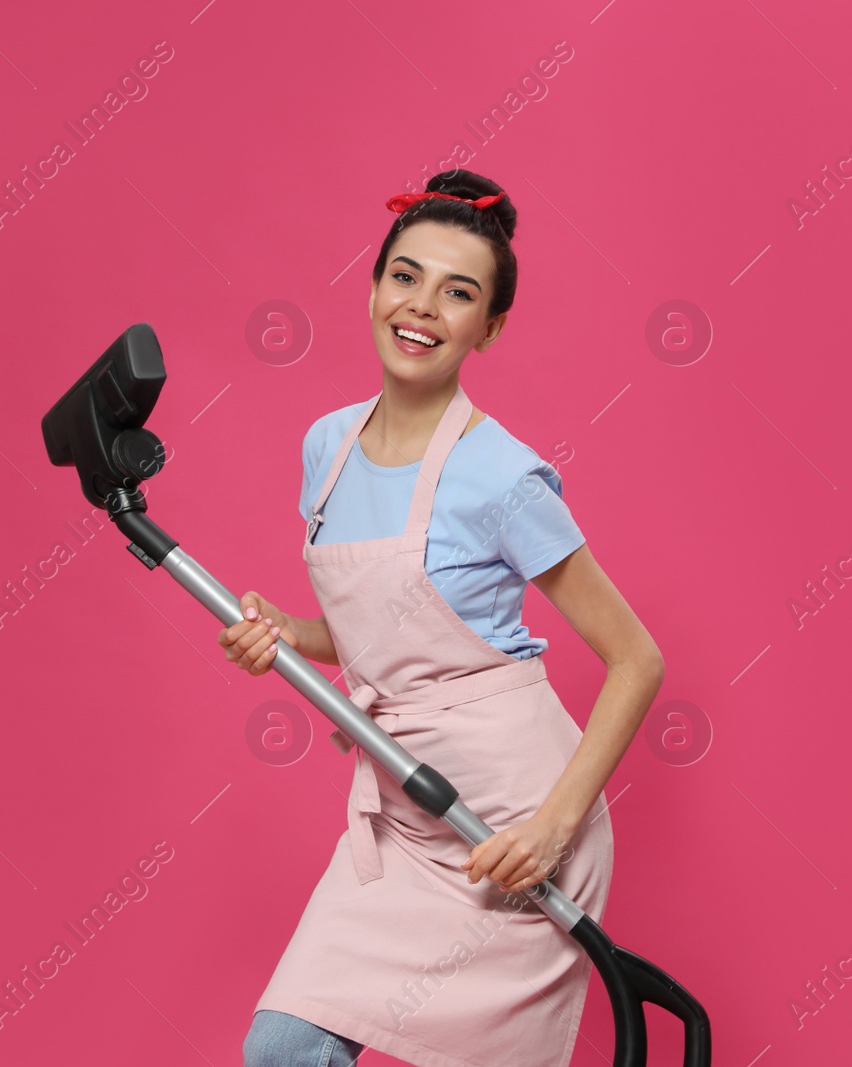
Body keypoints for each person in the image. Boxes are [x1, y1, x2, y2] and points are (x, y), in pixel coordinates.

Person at [218, 168, 665, 1067]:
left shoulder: (501, 477)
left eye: (458, 292)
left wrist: (551, 827)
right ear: (374, 285)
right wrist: (285, 634)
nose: (421, 307)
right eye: (405, 276)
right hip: (397, 815)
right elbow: (369, 634)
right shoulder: (327, 447)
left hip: (505, 828)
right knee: (283, 1049)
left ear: (489, 328)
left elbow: (637, 659)